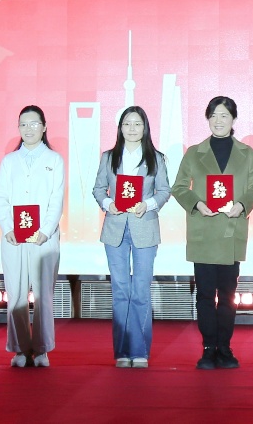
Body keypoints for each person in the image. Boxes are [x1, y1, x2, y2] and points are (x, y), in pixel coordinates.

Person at [170, 96, 253, 370]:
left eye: (224, 115)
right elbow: (179, 187)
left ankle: (225, 347)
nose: (218, 120)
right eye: (213, 115)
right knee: (204, 295)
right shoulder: (194, 153)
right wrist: (197, 203)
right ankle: (208, 348)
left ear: (233, 119)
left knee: (227, 295)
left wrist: (242, 204)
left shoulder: (246, 154)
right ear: (207, 119)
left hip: (231, 232)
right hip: (204, 231)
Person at [91, 106, 171, 368]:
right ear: (120, 128)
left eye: (137, 124)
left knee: (140, 291)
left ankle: (140, 351)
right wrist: (108, 203)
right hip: (115, 229)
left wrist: (147, 204)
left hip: (144, 227)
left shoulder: (156, 158)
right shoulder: (109, 157)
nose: (132, 128)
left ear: (145, 127)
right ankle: (122, 352)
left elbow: (164, 191)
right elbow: (98, 189)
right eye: (127, 124)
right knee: (120, 291)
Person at [0, 105, 64, 367]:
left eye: (34, 124)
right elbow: (1, 197)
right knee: (16, 294)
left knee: (43, 295)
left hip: (44, 238)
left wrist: (45, 230)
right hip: (14, 237)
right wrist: (7, 228)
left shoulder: (54, 160)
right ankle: (20, 350)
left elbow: (56, 199)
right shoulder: (9, 161)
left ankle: (43, 349)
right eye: (23, 124)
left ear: (44, 127)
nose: (28, 129)